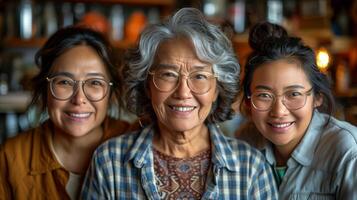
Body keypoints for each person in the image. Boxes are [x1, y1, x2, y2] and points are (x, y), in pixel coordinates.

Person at [81, 8, 278, 199]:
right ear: (147, 85)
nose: (183, 92)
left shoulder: (251, 168)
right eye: (168, 75)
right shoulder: (110, 162)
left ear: (217, 89)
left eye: (199, 76)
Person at [0, 26, 132, 199]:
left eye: (94, 82)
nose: (79, 99)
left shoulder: (136, 146)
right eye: (64, 82)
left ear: (111, 92)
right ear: (45, 89)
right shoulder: (12, 157)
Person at [236, 21, 357, 199]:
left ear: (317, 97)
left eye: (293, 94)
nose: (279, 112)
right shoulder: (244, 142)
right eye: (264, 95)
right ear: (248, 100)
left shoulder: (347, 150)